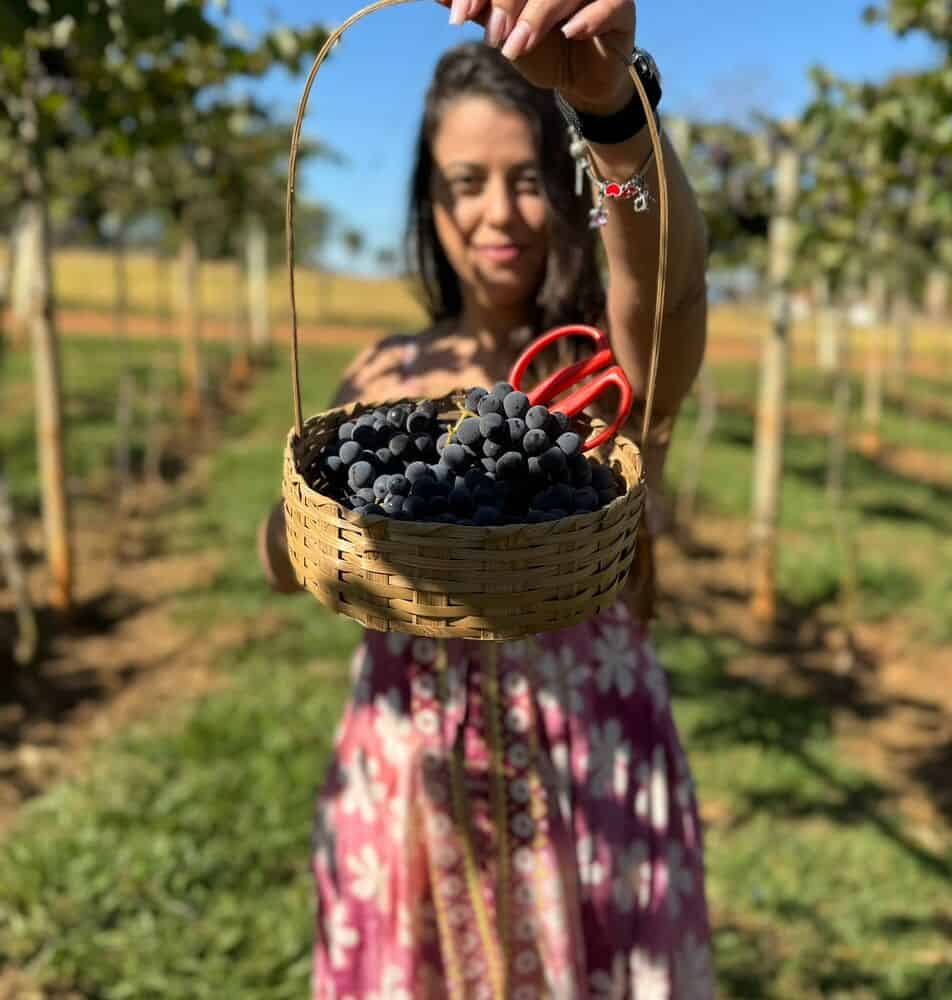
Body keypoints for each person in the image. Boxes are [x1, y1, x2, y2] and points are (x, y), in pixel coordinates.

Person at [259, 2, 714, 995]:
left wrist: (610, 112)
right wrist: (304, 525)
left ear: (563, 183)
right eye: (465, 183)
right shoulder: (379, 373)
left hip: (587, 758)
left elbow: (670, 297)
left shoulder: (601, 380)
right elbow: (282, 553)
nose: (497, 214)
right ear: (430, 201)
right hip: (410, 764)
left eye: (522, 179)